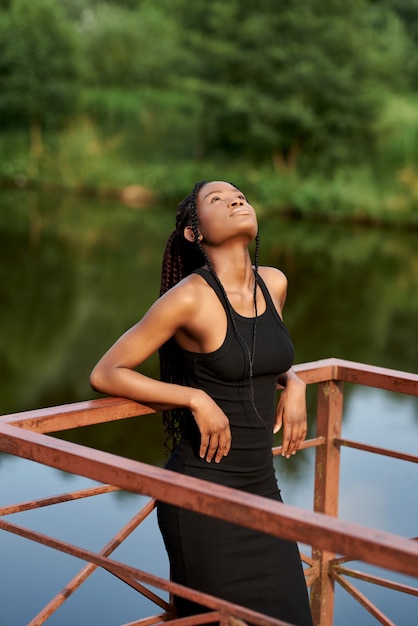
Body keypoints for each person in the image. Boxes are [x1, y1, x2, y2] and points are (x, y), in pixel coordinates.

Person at [90, 180, 314, 626]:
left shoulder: (274, 283)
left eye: (241, 196)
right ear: (194, 234)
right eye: (218, 199)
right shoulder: (190, 297)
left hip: (263, 493)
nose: (236, 200)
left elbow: (259, 353)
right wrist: (193, 397)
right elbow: (106, 372)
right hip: (201, 502)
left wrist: (296, 380)